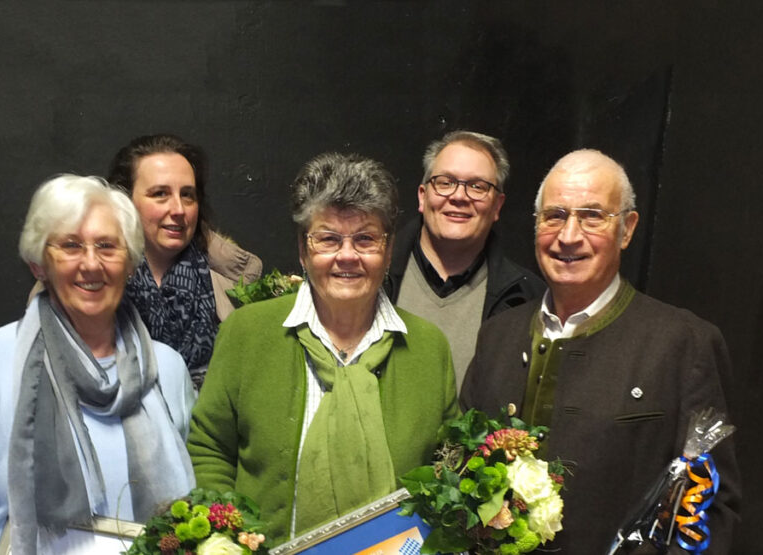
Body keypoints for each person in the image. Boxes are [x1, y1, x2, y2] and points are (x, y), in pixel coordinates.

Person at [460, 150, 740, 554]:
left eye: (592, 216)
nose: (569, 235)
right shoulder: (497, 336)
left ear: (627, 229)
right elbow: (461, 471)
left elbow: (712, 510)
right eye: (554, 215)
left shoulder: (683, 343)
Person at [187, 153, 459, 545]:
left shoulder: (427, 349)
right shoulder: (247, 333)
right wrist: (226, 538)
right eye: (328, 238)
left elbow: (445, 471)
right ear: (303, 249)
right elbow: (210, 447)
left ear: (387, 249)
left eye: (365, 238)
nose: (347, 256)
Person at [0, 175, 195, 554]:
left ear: (130, 262)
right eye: (70, 245)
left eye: (107, 246)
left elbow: (194, 516)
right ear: (39, 264)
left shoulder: (167, 369)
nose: (91, 263)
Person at [386, 130, 544, 390]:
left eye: (477, 186)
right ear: (423, 196)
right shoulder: (375, 277)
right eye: (445, 182)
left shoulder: (530, 299)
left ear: (497, 206)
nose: (459, 196)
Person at [107, 134, 262, 391]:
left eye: (188, 195)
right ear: (124, 201)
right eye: (160, 194)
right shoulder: (86, 281)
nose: (179, 209)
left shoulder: (233, 288)